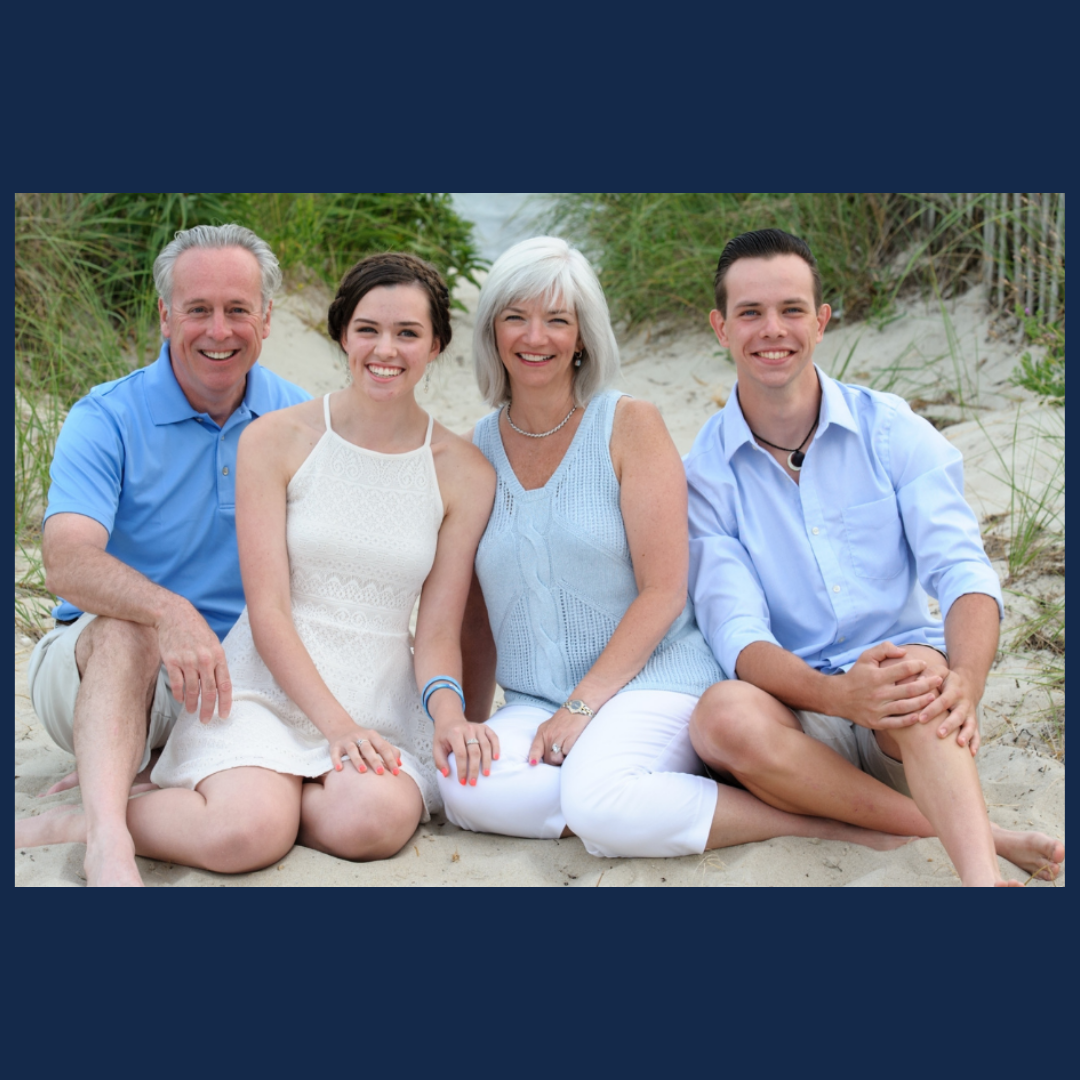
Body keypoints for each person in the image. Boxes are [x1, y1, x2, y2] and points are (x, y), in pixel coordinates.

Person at [18, 252, 497, 877]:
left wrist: (450, 714)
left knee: (372, 822)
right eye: (368, 329)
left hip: (371, 689)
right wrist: (335, 727)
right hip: (249, 679)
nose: (386, 349)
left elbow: (436, 631)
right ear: (342, 334)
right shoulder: (271, 436)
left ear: (437, 345)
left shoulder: (464, 472)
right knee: (246, 831)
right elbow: (265, 608)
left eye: (408, 332)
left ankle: (260, 801)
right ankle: (98, 824)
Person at [448, 236, 905, 858]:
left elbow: (665, 589)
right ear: (492, 330)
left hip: (654, 679)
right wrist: (474, 724)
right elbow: (475, 619)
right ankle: (652, 797)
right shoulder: (474, 450)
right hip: (536, 700)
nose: (537, 337)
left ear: (583, 335)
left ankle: (827, 826)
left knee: (599, 802)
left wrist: (584, 707)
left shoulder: (628, 424)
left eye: (558, 319)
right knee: (465, 790)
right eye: (516, 317)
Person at [685, 228, 1065, 887]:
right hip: (802, 714)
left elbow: (962, 569)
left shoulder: (890, 429)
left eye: (791, 309)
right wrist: (838, 697)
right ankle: (991, 836)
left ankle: (980, 883)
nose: (772, 330)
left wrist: (965, 686)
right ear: (721, 328)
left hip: (905, 707)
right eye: (750, 312)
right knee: (720, 716)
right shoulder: (704, 475)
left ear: (822, 321)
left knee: (912, 672)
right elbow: (737, 634)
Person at [16, 225, 310, 886]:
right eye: (198, 309)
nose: (218, 330)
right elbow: (65, 560)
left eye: (238, 309)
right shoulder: (107, 417)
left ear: (266, 317)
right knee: (129, 630)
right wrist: (168, 611)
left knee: (259, 825)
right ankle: (109, 845)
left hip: (235, 683)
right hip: (97, 666)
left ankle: (113, 795)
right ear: (165, 315)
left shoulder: (299, 418)